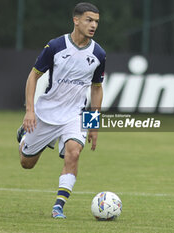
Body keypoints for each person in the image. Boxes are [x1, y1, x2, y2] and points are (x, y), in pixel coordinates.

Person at [16, 2, 105, 219]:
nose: (93, 25)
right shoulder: (55, 46)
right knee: (27, 163)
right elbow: (33, 76)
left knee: (73, 153)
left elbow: (96, 88)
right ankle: (23, 137)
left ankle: (59, 206)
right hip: (45, 114)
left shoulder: (98, 54)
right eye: (89, 20)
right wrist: (30, 111)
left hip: (74, 114)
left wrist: (93, 125)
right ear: (76, 20)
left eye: (96, 22)